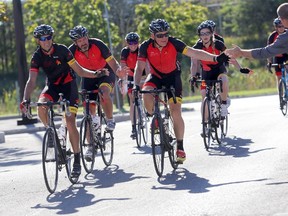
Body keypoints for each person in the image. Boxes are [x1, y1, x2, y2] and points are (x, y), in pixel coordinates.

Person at [133, 19, 230, 164]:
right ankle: (157, 120)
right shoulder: (145, 47)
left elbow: (194, 53)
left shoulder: (174, 43)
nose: (164, 38)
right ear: (152, 35)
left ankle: (180, 146)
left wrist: (215, 57)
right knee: (145, 93)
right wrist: (135, 85)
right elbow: (139, 67)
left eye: (166, 34)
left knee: (175, 112)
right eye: (160, 35)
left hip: (173, 78)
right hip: (155, 76)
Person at [19, 24, 108, 178]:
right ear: (38, 41)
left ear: (52, 38)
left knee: (70, 121)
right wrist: (25, 99)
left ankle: (77, 161)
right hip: (52, 86)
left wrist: (96, 74)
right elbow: (31, 81)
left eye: (49, 38)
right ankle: (51, 132)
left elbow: (79, 70)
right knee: (41, 106)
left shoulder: (62, 50)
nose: (46, 41)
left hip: (69, 86)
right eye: (43, 39)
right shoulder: (37, 57)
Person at [68, 25, 124, 161]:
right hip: (88, 77)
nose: (83, 42)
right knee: (88, 110)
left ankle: (110, 120)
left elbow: (113, 62)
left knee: (104, 93)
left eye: (84, 38)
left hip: (105, 73)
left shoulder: (98, 44)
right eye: (79, 41)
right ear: (75, 43)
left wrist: (119, 72)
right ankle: (90, 145)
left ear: (87, 37)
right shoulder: (71, 51)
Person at [190, 22, 252, 124]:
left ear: (211, 34)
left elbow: (230, 57)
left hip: (219, 69)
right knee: (203, 94)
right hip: (206, 72)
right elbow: (194, 64)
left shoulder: (218, 44)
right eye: (202, 34)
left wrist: (240, 69)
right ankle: (205, 123)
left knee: (223, 80)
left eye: (207, 33)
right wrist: (193, 76)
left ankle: (223, 104)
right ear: (199, 36)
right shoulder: (197, 47)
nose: (205, 36)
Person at [119, 32, 148, 139]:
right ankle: (133, 128)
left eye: (135, 42)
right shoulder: (125, 52)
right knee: (132, 101)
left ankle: (148, 109)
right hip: (131, 74)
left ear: (138, 42)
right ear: (127, 43)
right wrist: (123, 79)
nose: (133, 45)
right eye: (130, 43)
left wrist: (148, 78)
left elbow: (147, 65)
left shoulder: (142, 50)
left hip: (143, 73)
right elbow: (123, 67)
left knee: (147, 93)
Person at [266, 17, 287, 85]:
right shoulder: (272, 36)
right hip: (277, 57)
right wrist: (269, 62)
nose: (281, 28)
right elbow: (268, 50)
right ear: (276, 27)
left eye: (282, 26)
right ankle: (281, 93)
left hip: (287, 55)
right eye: (279, 26)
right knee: (279, 77)